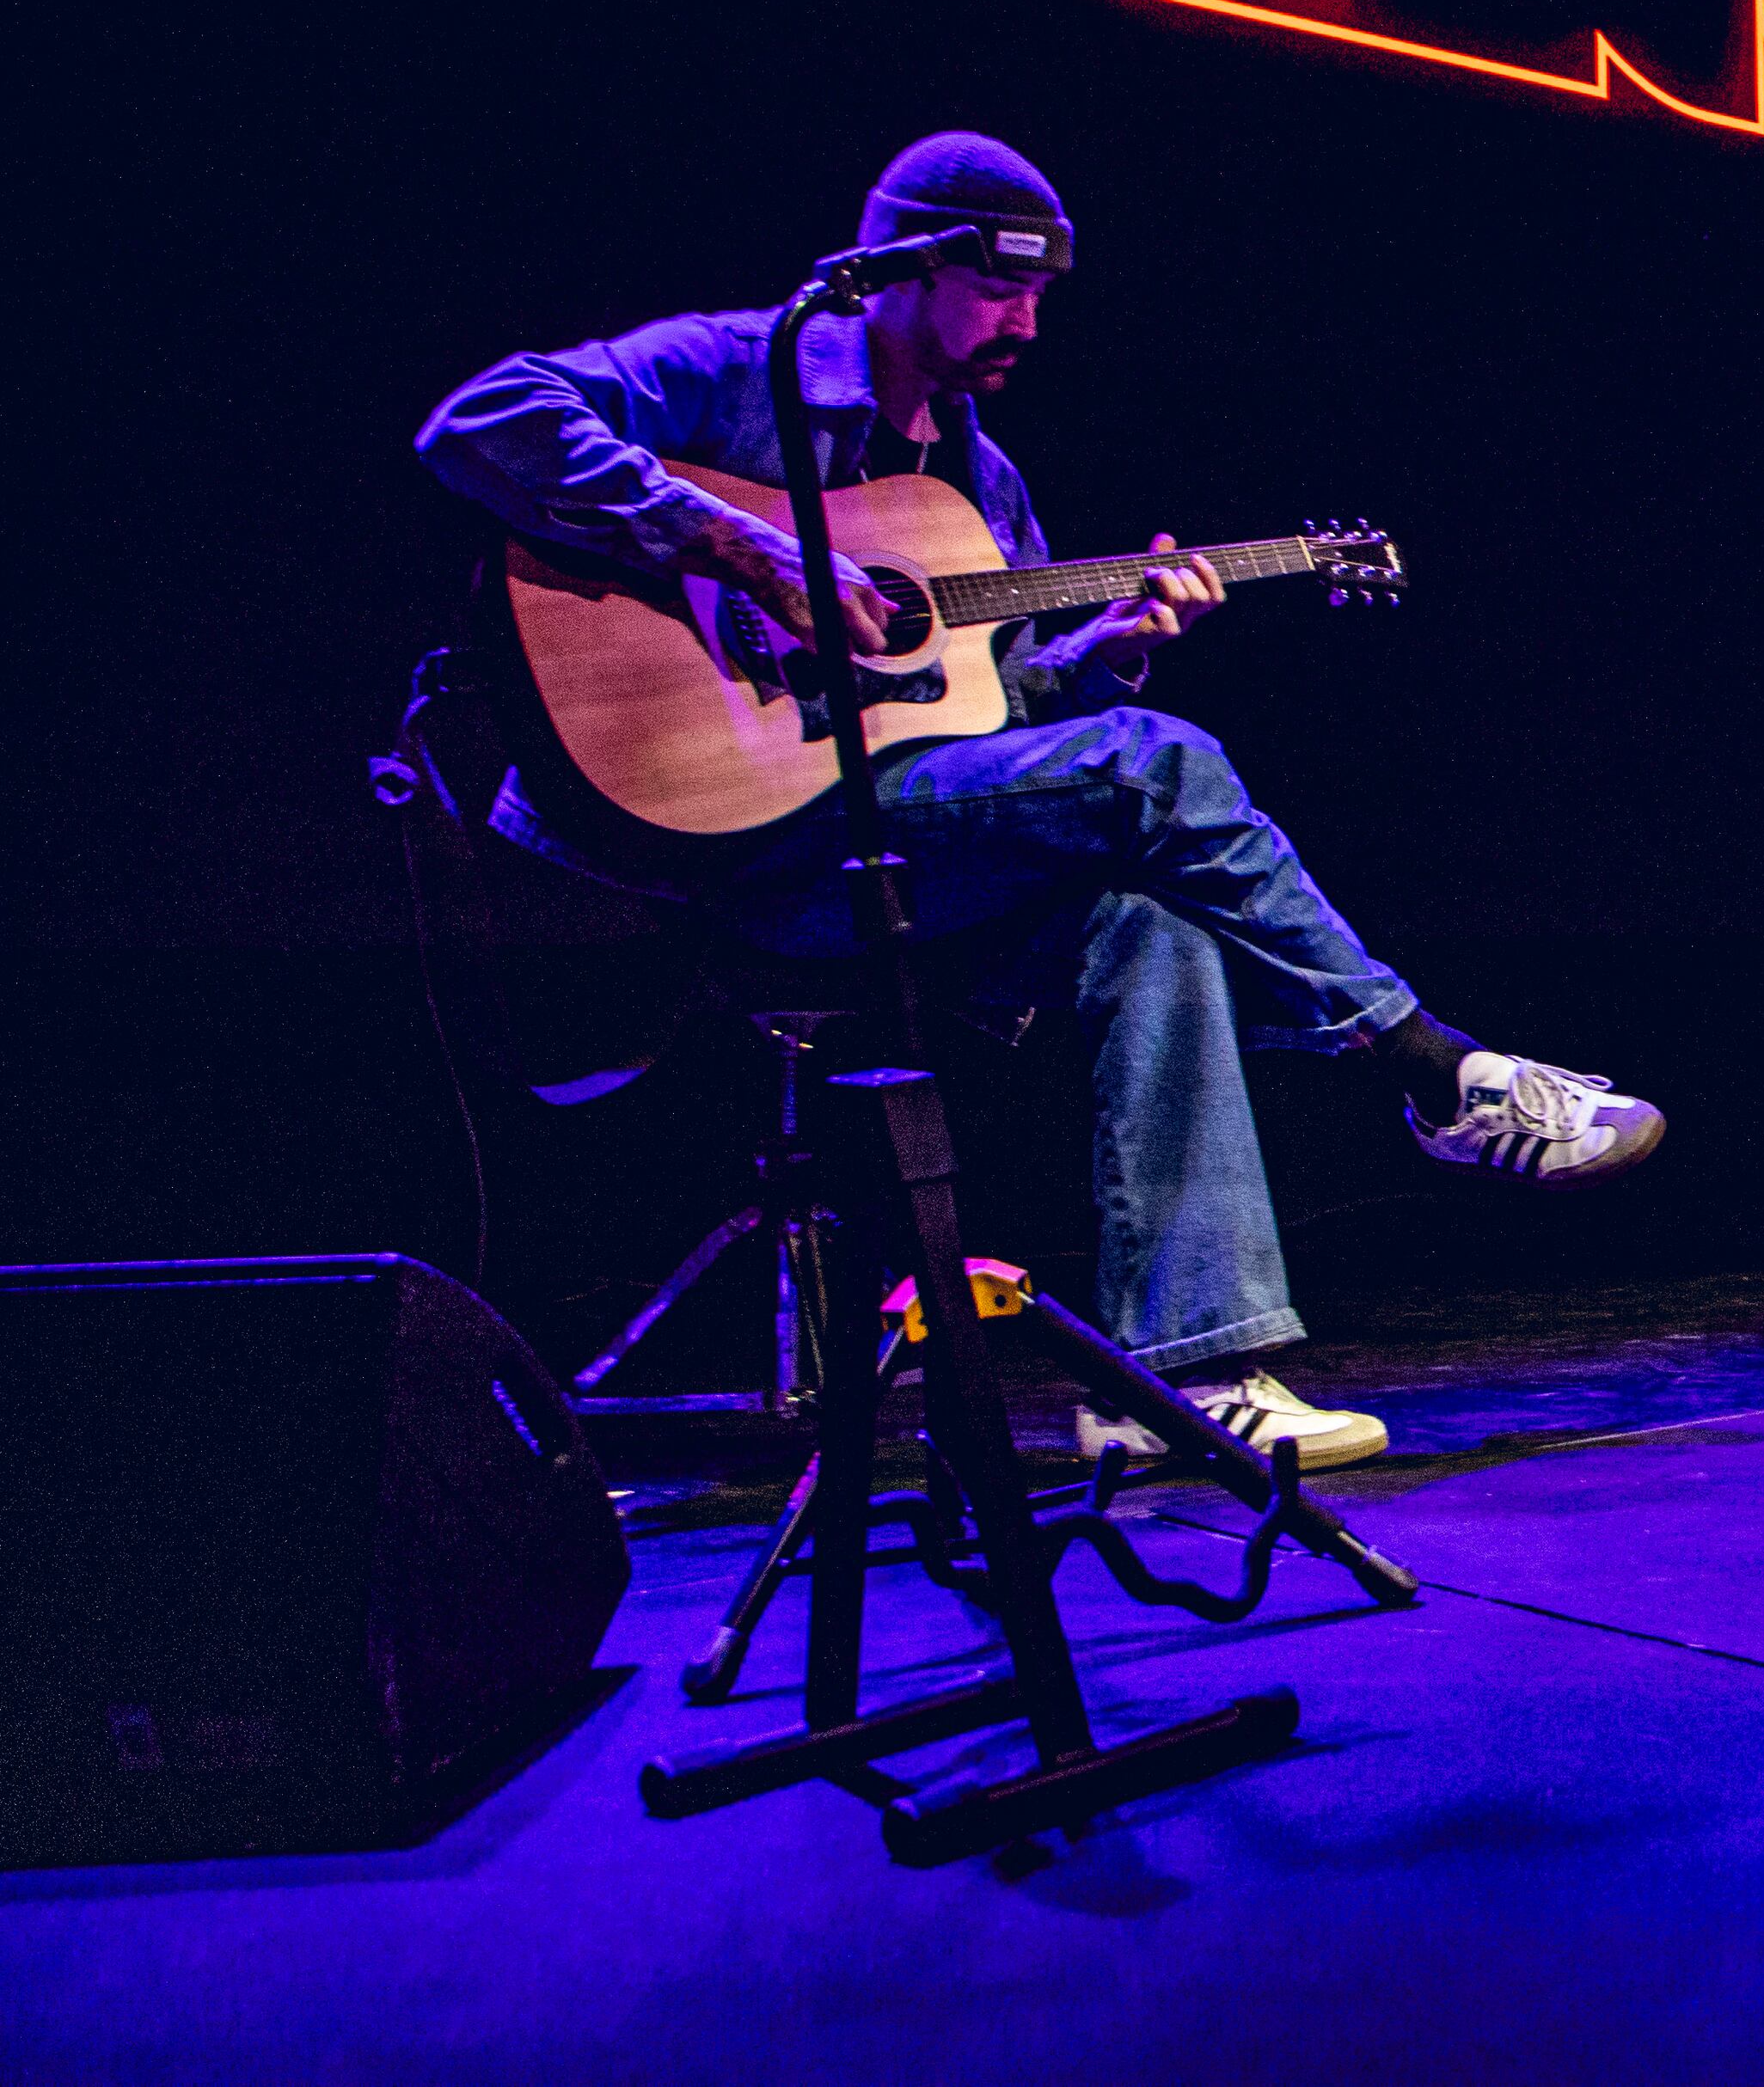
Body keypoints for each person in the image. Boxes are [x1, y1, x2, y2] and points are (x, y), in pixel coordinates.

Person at [416, 130, 1667, 1470]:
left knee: (1154, 926)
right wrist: (749, 551)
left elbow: (994, 719)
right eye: (1001, 285)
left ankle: (1177, 1381)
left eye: (1045, 293)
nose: (1028, 320)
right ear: (903, 269)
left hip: (892, 838)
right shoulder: (742, 367)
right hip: (717, 827)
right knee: (1162, 759)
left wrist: (1111, 643)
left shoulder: (982, 484)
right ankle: (1438, 1075)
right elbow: (475, 421)